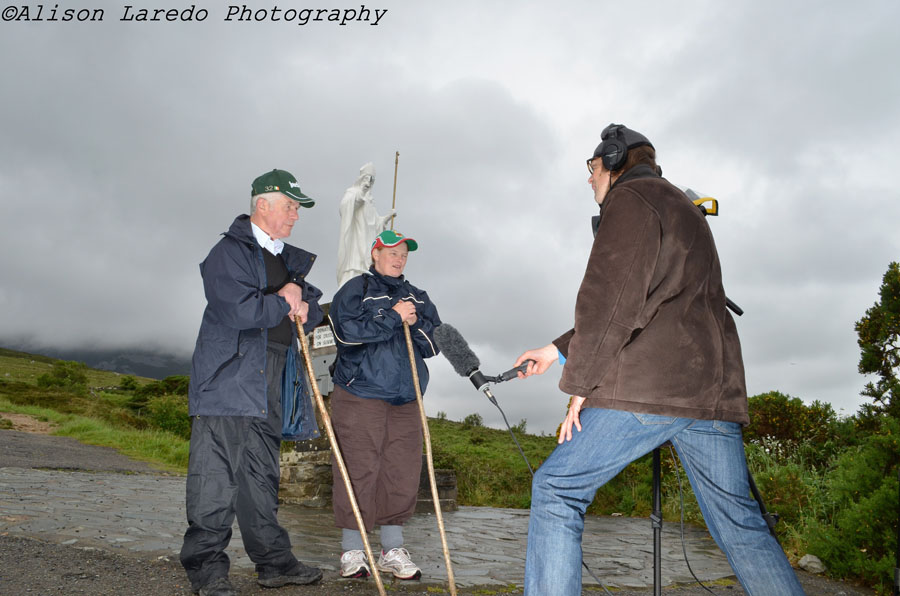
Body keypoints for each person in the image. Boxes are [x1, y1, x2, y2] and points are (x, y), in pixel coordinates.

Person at [514, 124, 806, 596]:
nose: (589, 179)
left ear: (612, 159)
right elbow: (661, 298)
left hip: (652, 389)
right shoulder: (683, 208)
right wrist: (556, 350)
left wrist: (580, 388)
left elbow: (610, 301)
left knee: (556, 490)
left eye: (591, 168)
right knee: (740, 525)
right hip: (709, 393)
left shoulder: (630, 200)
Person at [180, 169, 325, 596]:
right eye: (291, 206)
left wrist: (300, 301)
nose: (296, 215)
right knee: (215, 477)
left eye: (298, 208)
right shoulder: (228, 252)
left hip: (273, 374)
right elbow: (238, 311)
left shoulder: (287, 262)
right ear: (263, 204)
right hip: (229, 378)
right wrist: (285, 301)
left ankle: (273, 562)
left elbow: (313, 309)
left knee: (261, 475)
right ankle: (206, 568)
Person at [327, 229, 441, 580]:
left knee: (402, 472)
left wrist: (414, 319)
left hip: (406, 398)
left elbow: (435, 344)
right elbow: (346, 332)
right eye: (392, 251)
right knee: (358, 469)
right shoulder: (356, 289)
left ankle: (391, 550)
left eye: (404, 253)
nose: (399, 258)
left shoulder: (417, 296)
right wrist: (392, 316)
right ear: (374, 253)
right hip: (360, 392)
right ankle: (353, 550)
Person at [336, 163, 395, 288]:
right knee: (356, 267)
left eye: (371, 180)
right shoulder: (353, 192)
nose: (368, 182)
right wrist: (360, 195)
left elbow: (375, 223)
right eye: (366, 178)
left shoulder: (370, 200)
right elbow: (345, 206)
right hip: (357, 240)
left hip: (368, 241)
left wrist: (387, 217)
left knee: (370, 265)